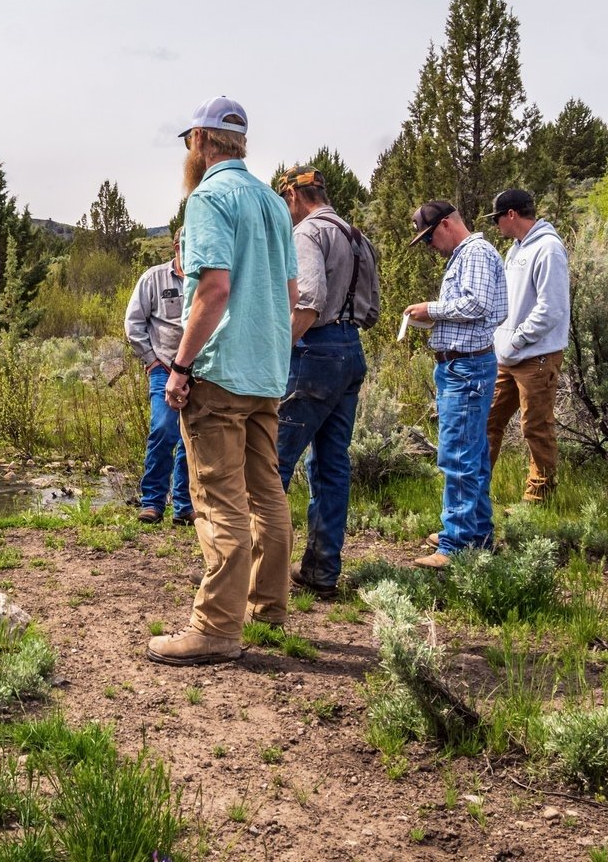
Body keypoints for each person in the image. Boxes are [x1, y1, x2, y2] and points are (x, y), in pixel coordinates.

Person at [147, 96, 298, 667]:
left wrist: (181, 367)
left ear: (205, 142)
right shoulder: (272, 203)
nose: (190, 151)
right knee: (267, 492)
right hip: (265, 373)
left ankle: (214, 628)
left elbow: (212, 291)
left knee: (217, 498)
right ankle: (268, 607)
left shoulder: (208, 196)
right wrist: (270, 356)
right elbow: (287, 296)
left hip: (218, 372)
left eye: (191, 141)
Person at [272, 167, 381, 599]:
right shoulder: (357, 236)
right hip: (351, 350)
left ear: (295, 197)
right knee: (332, 466)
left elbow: (309, 302)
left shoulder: (307, 234)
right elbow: (371, 311)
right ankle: (321, 571)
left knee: (271, 463)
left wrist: (280, 349)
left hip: (313, 350)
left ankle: (253, 574)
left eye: (286, 201)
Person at [403, 201, 507, 569]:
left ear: (447, 224)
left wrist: (432, 310)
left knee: (459, 455)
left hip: (466, 368)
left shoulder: (475, 252)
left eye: (430, 236)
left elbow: (477, 304)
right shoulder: (468, 254)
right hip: (463, 367)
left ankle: (458, 543)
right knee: (472, 454)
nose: (430, 245)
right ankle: (474, 531)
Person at [484, 189, 569, 503]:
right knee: (488, 421)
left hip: (537, 356)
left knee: (536, 427)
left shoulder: (548, 248)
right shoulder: (515, 250)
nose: (496, 226)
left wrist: (518, 338)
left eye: (497, 219)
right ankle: (476, 493)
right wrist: (502, 342)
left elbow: (552, 307)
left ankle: (538, 499)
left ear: (511, 215)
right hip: (507, 356)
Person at [124, 233, 195, 527]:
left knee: (193, 438)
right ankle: (152, 501)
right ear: (177, 247)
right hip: (164, 368)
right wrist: (151, 360)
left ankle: (184, 506)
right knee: (164, 430)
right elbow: (133, 323)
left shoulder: (207, 279)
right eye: (190, 246)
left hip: (199, 371)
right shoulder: (154, 279)